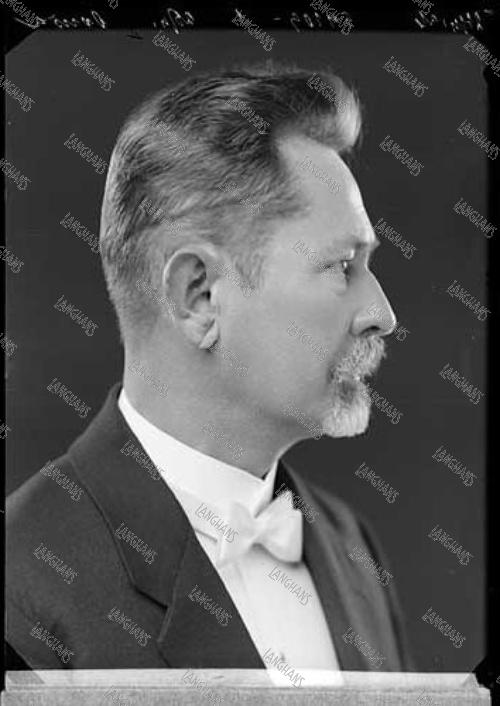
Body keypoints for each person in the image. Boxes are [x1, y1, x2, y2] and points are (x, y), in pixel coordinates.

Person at [6, 63, 414, 672]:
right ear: (198, 296)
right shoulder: (22, 583)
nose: (382, 314)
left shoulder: (352, 548)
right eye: (341, 267)